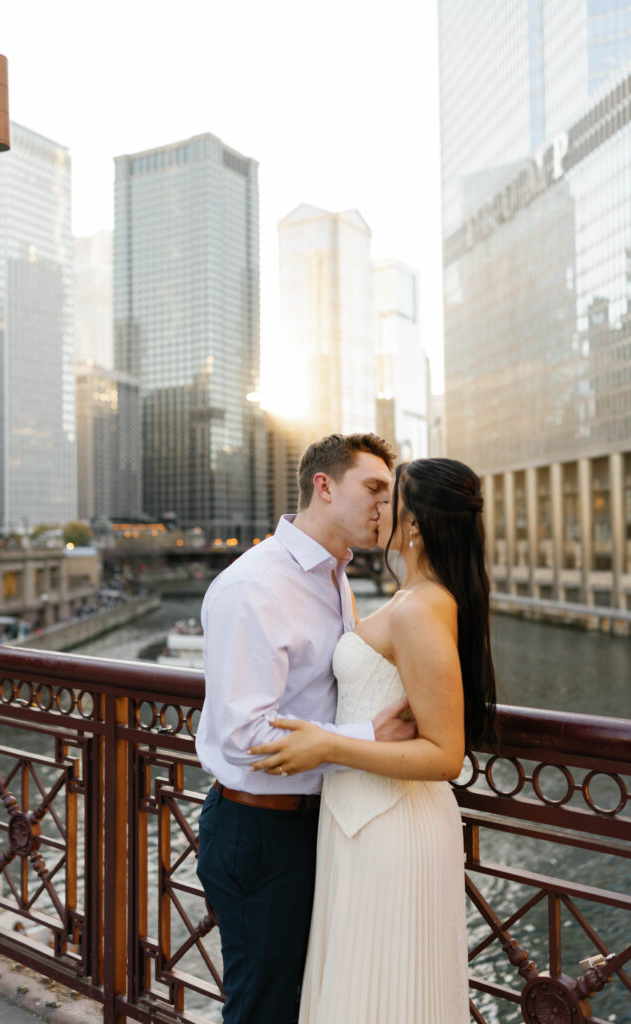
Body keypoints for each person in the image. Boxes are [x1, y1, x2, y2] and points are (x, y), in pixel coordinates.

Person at [251, 457, 498, 1024]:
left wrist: (328, 746)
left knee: (384, 996)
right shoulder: (411, 599)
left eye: (391, 498)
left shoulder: (421, 608)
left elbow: (445, 755)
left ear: (413, 525)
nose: (378, 505)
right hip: (357, 819)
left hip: (391, 824)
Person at [195, 433, 417, 1024]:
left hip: (311, 824)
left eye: (389, 493)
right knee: (264, 1009)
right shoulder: (256, 585)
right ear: (323, 485)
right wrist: (369, 741)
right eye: (373, 488)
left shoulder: (332, 574)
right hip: (259, 831)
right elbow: (247, 738)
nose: (384, 506)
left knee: (308, 1002)